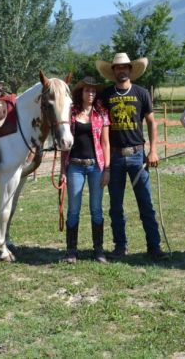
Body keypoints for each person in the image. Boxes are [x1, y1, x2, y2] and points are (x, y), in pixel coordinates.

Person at [96, 52, 169, 261]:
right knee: (116, 206)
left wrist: (153, 150)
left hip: (138, 156)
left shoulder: (141, 93)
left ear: (130, 70)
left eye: (125, 67)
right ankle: (120, 246)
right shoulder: (106, 96)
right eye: (117, 68)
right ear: (113, 71)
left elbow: (151, 123)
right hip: (115, 158)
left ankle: (154, 247)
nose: (121, 70)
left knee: (146, 203)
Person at [60, 77, 111, 263]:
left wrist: (107, 168)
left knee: (96, 209)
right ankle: (71, 251)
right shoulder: (71, 113)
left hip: (96, 166)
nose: (90, 94)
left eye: (93, 91)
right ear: (80, 93)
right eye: (87, 90)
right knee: (73, 210)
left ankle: (98, 250)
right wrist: (62, 170)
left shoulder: (102, 113)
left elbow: (105, 143)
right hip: (75, 166)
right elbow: (65, 145)